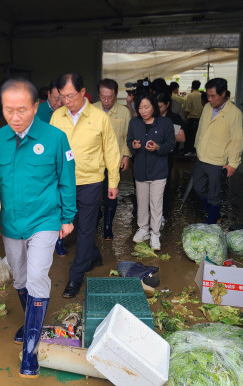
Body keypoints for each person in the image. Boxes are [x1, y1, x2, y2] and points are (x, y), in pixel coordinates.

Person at [0, 79, 76, 377]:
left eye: (22, 110)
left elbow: (67, 178)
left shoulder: (55, 138)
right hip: (12, 223)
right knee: (20, 277)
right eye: (9, 110)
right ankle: (31, 323)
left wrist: (68, 217)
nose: (15, 117)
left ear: (36, 107)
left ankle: (31, 348)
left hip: (45, 219)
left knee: (38, 274)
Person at [50, 72, 121, 298]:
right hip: (64, 183)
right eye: (62, 97)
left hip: (90, 181)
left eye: (70, 96)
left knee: (86, 229)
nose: (66, 102)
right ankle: (95, 255)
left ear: (82, 92)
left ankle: (75, 277)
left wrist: (113, 181)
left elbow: (111, 150)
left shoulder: (100, 118)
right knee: (78, 225)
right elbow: (51, 151)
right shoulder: (57, 117)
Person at [127, 93, 175, 250]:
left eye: (146, 107)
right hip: (140, 170)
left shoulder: (165, 123)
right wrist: (133, 145)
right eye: (140, 107)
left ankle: (155, 233)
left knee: (156, 203)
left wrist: (158, 147)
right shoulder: (134, 123)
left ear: (154, 106)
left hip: (158, 171)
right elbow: (129, 141)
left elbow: (170, 144)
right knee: (141, 202)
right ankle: (143, 229)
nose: (143, 111)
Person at [193, 78, 243, 224]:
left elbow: (236, 140)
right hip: (202, 157)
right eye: (208, 95)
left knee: (214, 194)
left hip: (218, 160)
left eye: (213, 96)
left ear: (223, 93)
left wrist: (233, 163)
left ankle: (211, 222)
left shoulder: (234, 114)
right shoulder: (208, 107)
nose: (209, 99)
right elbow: (201, 130)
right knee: (198, 188)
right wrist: (197, 148)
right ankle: (215, 214)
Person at [93, 78, 132, 240]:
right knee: (94, 195)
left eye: (110, 97)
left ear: (116, 95)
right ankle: (95, 221)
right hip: (94, 162)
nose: (106, 100)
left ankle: (108, 227)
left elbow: (127, 137)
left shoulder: (124, 112)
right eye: (103, 97)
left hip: (113, 162)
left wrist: (126, 155)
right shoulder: (91, 109)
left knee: (111, 194)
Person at [156, 92, 185, 227]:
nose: (157, 109)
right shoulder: (151, 115)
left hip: (166, 155)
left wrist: (165, 135)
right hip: (151, 156)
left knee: (164, 186)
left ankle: (162, 214)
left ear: (167, 105)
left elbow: (181, 138)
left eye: (160, 106)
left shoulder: (174, 118)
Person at [183, 80, 203, 157]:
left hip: (191, 118)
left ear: (192, 86)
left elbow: (187, 109)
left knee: (189, 136)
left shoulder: (191, 95)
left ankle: (188, 151)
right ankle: (195, 151)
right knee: (196, 136)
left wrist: (185, 118)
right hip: (199, 118)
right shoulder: (200, 95)